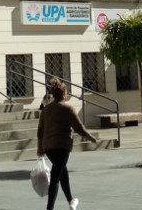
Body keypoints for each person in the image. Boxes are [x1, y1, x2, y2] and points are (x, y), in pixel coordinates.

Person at [37, 78, 97, 210]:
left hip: (49, 147)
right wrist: (91, 138)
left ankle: (71, 201)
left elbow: (40, 130)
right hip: (62, 146)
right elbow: (79, 128)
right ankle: (50, 208)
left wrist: (40, 147)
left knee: (61, 171)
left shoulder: (46, 110)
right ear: (64, 94)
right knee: (55, 176)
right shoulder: (68, 108)